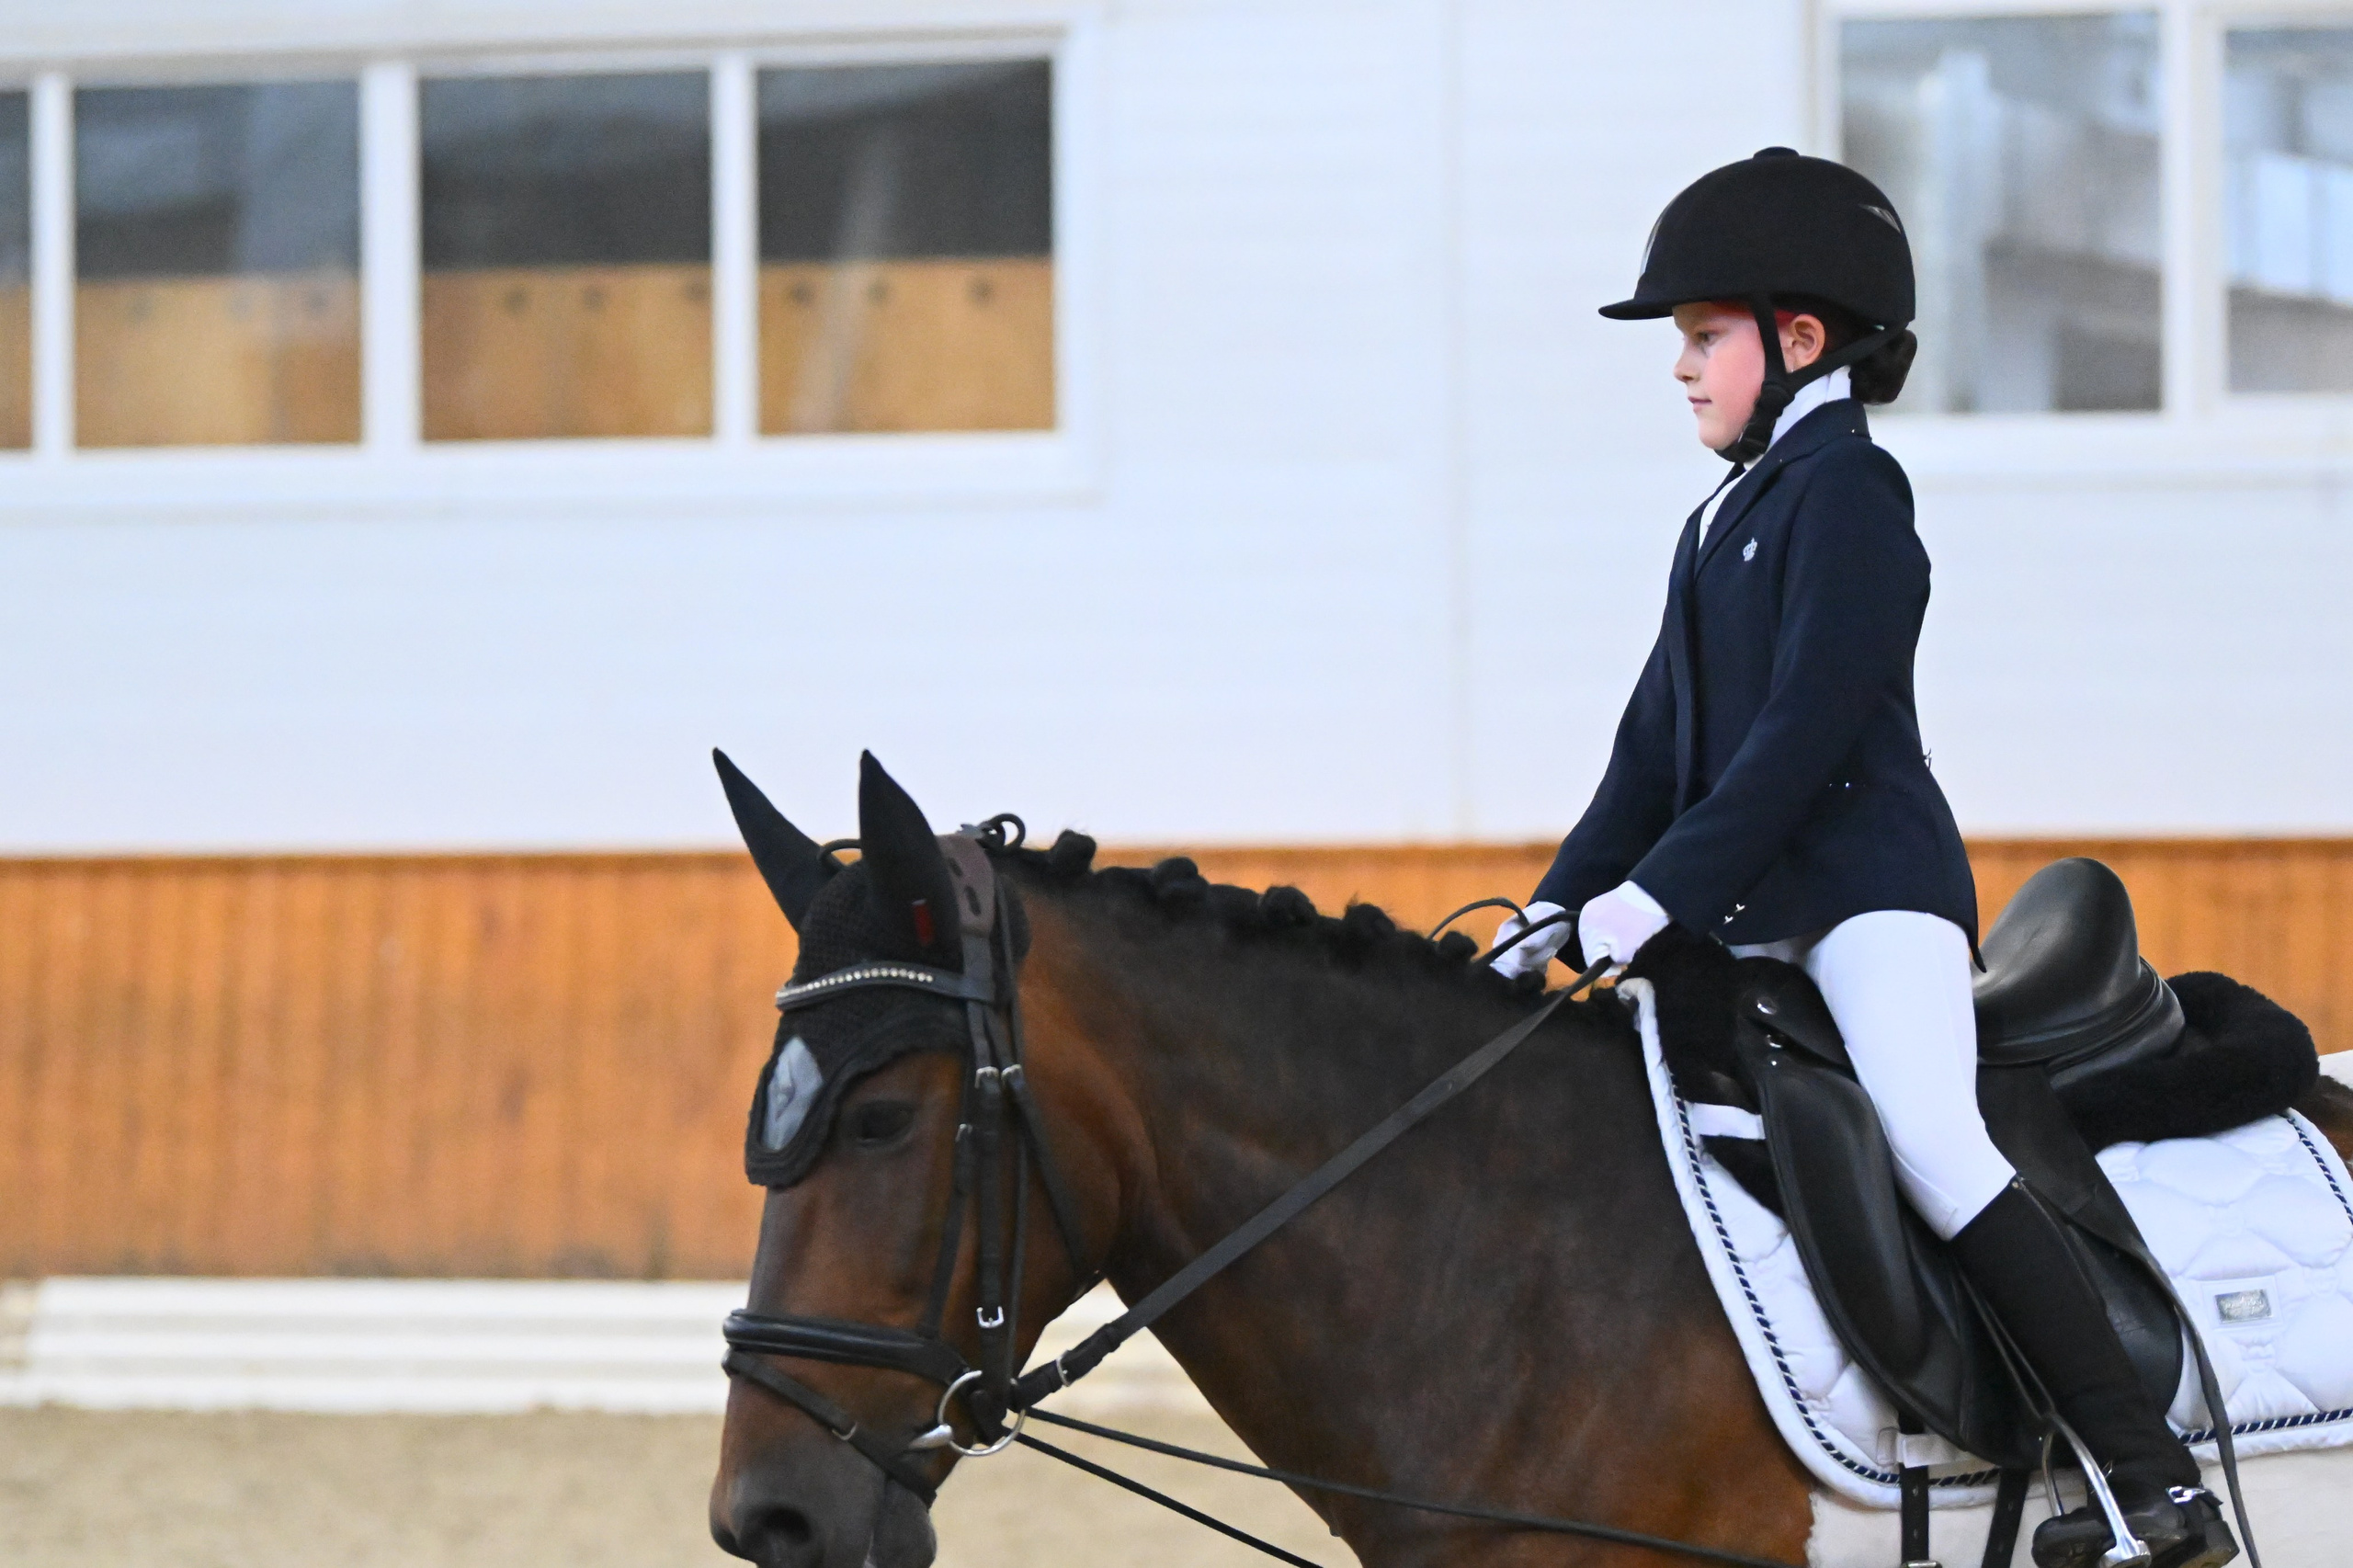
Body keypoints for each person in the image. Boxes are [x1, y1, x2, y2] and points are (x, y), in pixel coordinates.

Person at [1490, 148, 2235, 1568]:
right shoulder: (1716, 519)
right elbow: (1648, 755)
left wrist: (1659, 897)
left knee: (1932, 1140)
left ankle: (2154, 1486)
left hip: (1867, 896)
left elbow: (1804, 740)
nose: (1681, 367)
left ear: (1799, 338)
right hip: (1757, 903)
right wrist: (1556, 903)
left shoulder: (1852, 496)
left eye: (1701, 337)